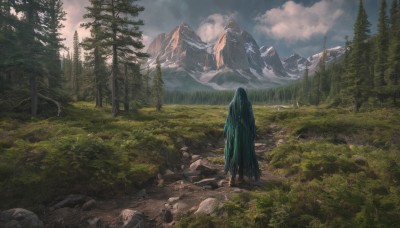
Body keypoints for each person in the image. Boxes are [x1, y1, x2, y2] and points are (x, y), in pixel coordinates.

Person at [224, 87, 260, 187]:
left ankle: (232, 178)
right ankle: (241, 176)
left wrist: (227, 132)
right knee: (245, 154)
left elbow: (228, 121)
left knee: (233, 154)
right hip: (245, 135)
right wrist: (253, 132)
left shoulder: (231, 105)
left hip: (233, 135)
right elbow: (251, 120)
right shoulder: (247, 104)